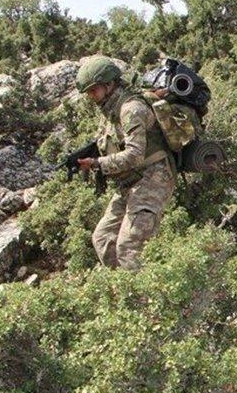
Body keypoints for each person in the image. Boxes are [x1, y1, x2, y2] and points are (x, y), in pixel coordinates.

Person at [75, 55, 175, 270]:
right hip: (130, 181)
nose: (91, 97)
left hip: (153, 177)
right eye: (88, 92)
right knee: (103, 239)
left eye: (94, 90)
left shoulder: (131, 109)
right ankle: (123, 289)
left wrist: (97, 163)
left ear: (109, 84)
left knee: (129, 248)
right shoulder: (109, 110)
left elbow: (134, 155)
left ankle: (142, 299)